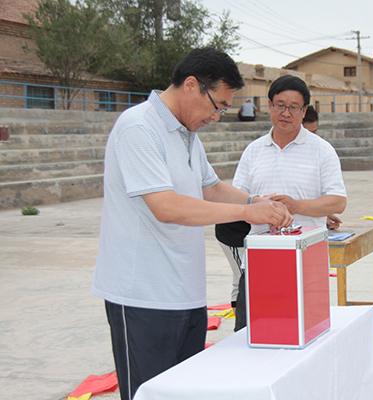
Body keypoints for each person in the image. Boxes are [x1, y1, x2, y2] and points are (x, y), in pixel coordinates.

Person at [91, 47, 292, 400]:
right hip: (143, 296)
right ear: (190, 85)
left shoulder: (186, 133)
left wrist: (255, 202)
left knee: (183, 392)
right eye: (218, 105)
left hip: (186, 293)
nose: (217, 116)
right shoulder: (139, 127)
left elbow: (210, 187)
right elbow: (166, 207)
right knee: (148, 393)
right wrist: (246, 214)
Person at [232, 74, 347, 331]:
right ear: (269, 106)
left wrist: (296, 207)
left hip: (307, 262)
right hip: (259, 261)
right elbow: (237, 197)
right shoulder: (253, 151)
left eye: (294, 107)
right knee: (251, 334)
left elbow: (338, 202)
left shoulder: (322, 150)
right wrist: (257, 207)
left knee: (303, 334)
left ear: (304, 111)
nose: (286, 113)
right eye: (280, 105)